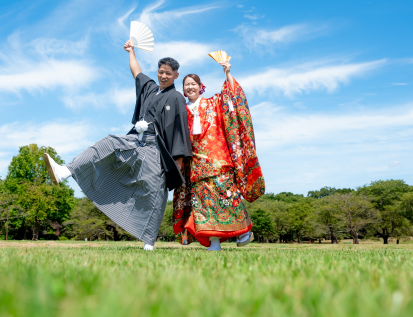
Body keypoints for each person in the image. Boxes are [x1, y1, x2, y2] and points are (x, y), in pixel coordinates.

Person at [43, 40, 191, 250]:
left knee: (155, 191)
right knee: (109, 142)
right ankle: (65, 171)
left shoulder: (177, 98)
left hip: (155, 150)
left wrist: (176, 167)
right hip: (136, 141)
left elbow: (179, 131)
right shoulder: (150, 89)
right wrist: (131, 52)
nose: (163, 76)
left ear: (176, 75)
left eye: (168, 73)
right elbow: (137, 72)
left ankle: (149, 241)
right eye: (161, 72)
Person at [172, 60, 265, 251]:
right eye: (186, 85)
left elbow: (231, 98)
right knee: (203, 204)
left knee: (228, 196)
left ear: (200, 87)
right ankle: (214, 243)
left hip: (218, 157)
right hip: (196, 163)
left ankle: (244, 231)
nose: (190, 87)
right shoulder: (182, 110)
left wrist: (228, 74)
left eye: (193, 84)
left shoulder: (213, 103)